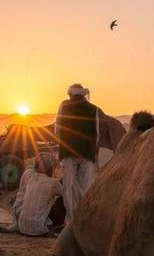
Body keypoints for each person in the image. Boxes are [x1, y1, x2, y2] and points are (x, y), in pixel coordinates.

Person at [55, 83, 102, 224]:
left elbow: (57, 129)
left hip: (68, 152)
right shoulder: (94, 109)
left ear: (70, 94)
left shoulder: (64, 105)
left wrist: (64, 141)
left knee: (69, 189)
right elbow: (97, 134)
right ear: (83, 94)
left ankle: (70, 221)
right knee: (86, 188)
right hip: (87, 154)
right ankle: (84, 221)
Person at [17, 153, 63, 236]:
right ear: (50, 168)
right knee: (63, 199)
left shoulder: (32, 178)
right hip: (37, 229)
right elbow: (65, 193)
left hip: (22, 227)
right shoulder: (52, 183)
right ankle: (58, 227)